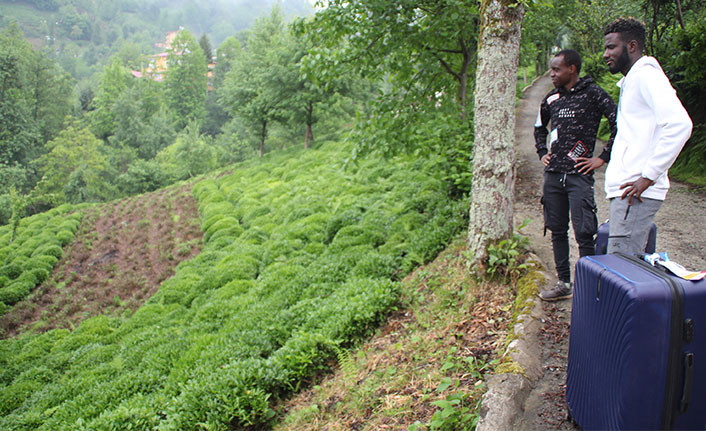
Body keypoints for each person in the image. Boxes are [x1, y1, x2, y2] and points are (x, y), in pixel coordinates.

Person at [602, 18, 692, 255]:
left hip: (636, 192)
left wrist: (648, 176)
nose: (605, 54)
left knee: (621, 270)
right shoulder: (632, 80)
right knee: (622, 269)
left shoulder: (646, 76)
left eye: (611, 47)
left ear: (631, 46)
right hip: (628, 191)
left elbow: (680, 124)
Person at [535, 49, 617, 301]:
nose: (552, 74)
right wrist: (542, 152)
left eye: (556, 69)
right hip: (553, 175)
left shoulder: (593, 94)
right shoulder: (551, 98)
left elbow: (619, 123)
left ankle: (589, 287)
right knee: (557, 229)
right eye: (551, 69)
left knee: (584, 231)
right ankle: (563, 283)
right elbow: (539, 127)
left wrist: (602, 157)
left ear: (572, 68)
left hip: (579, 175)